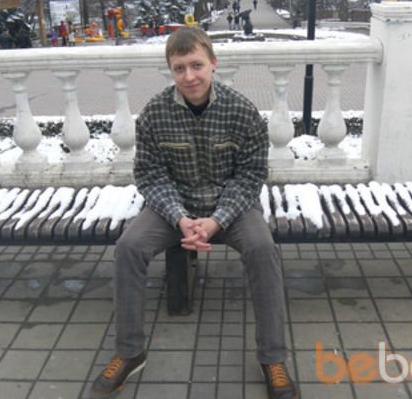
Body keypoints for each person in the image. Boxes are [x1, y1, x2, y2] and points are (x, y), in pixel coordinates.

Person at [90, 26, 297, 399]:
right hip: (175, 207)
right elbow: (150, 176)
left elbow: (251, 176)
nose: (189, 76)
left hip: (232, 207)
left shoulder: (242, 111)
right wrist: (180, 218)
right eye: (180, 68)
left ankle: (272, 357)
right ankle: (130, 351)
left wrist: (217, 220)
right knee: (129, 248)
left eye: (197, 65)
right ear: (171, 70)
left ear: (213, 63)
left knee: (263, 249)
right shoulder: (154, 113)